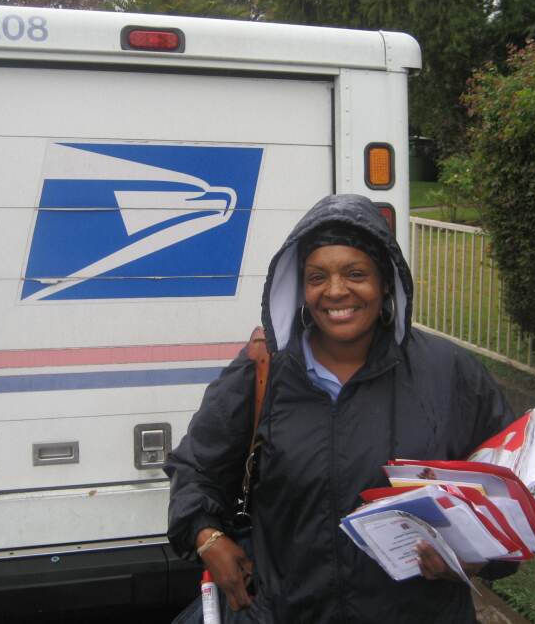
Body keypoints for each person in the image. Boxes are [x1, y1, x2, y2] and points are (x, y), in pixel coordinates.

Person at [165, 194, 517, 623]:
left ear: (386, 281)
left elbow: (508, 493)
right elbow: (195, 469)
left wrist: (471, 559)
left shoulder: (449, 373)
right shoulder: (263, 371)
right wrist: (208, 537)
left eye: (355, 273)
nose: (335, 291)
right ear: (301, 286)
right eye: (317, 277)